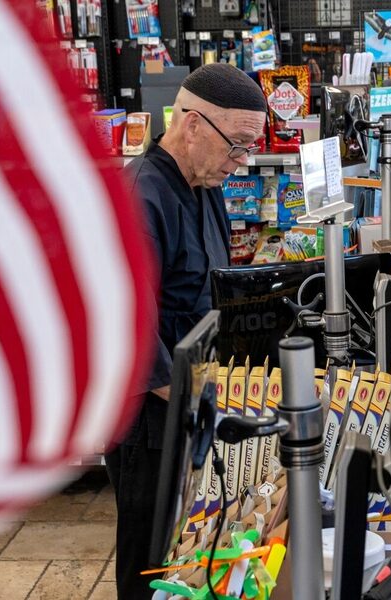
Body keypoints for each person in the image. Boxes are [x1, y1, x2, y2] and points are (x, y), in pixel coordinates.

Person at [105, 63, 267, 599]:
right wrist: (203, 404)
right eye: (237, 145)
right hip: (151, 423)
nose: (242, 161)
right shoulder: (140, 199)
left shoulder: (204, 181)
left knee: (185, 555)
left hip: (191, 408)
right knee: (147, 563)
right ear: (192, 124)